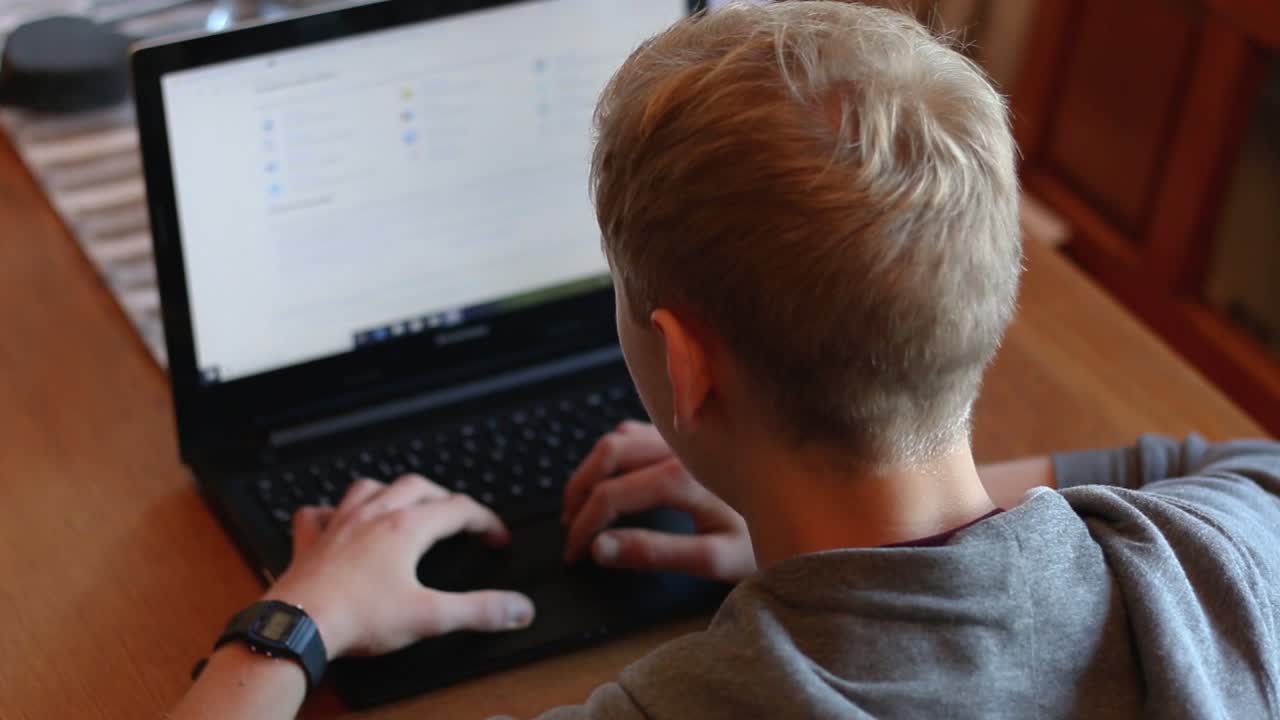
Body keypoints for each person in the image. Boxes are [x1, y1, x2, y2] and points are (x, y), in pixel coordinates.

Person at [172, 2, 1280, 718]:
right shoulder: (1215, 560)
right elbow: (1244, 461)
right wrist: (859, 521)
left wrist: (294, 622)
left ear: (686, 366)